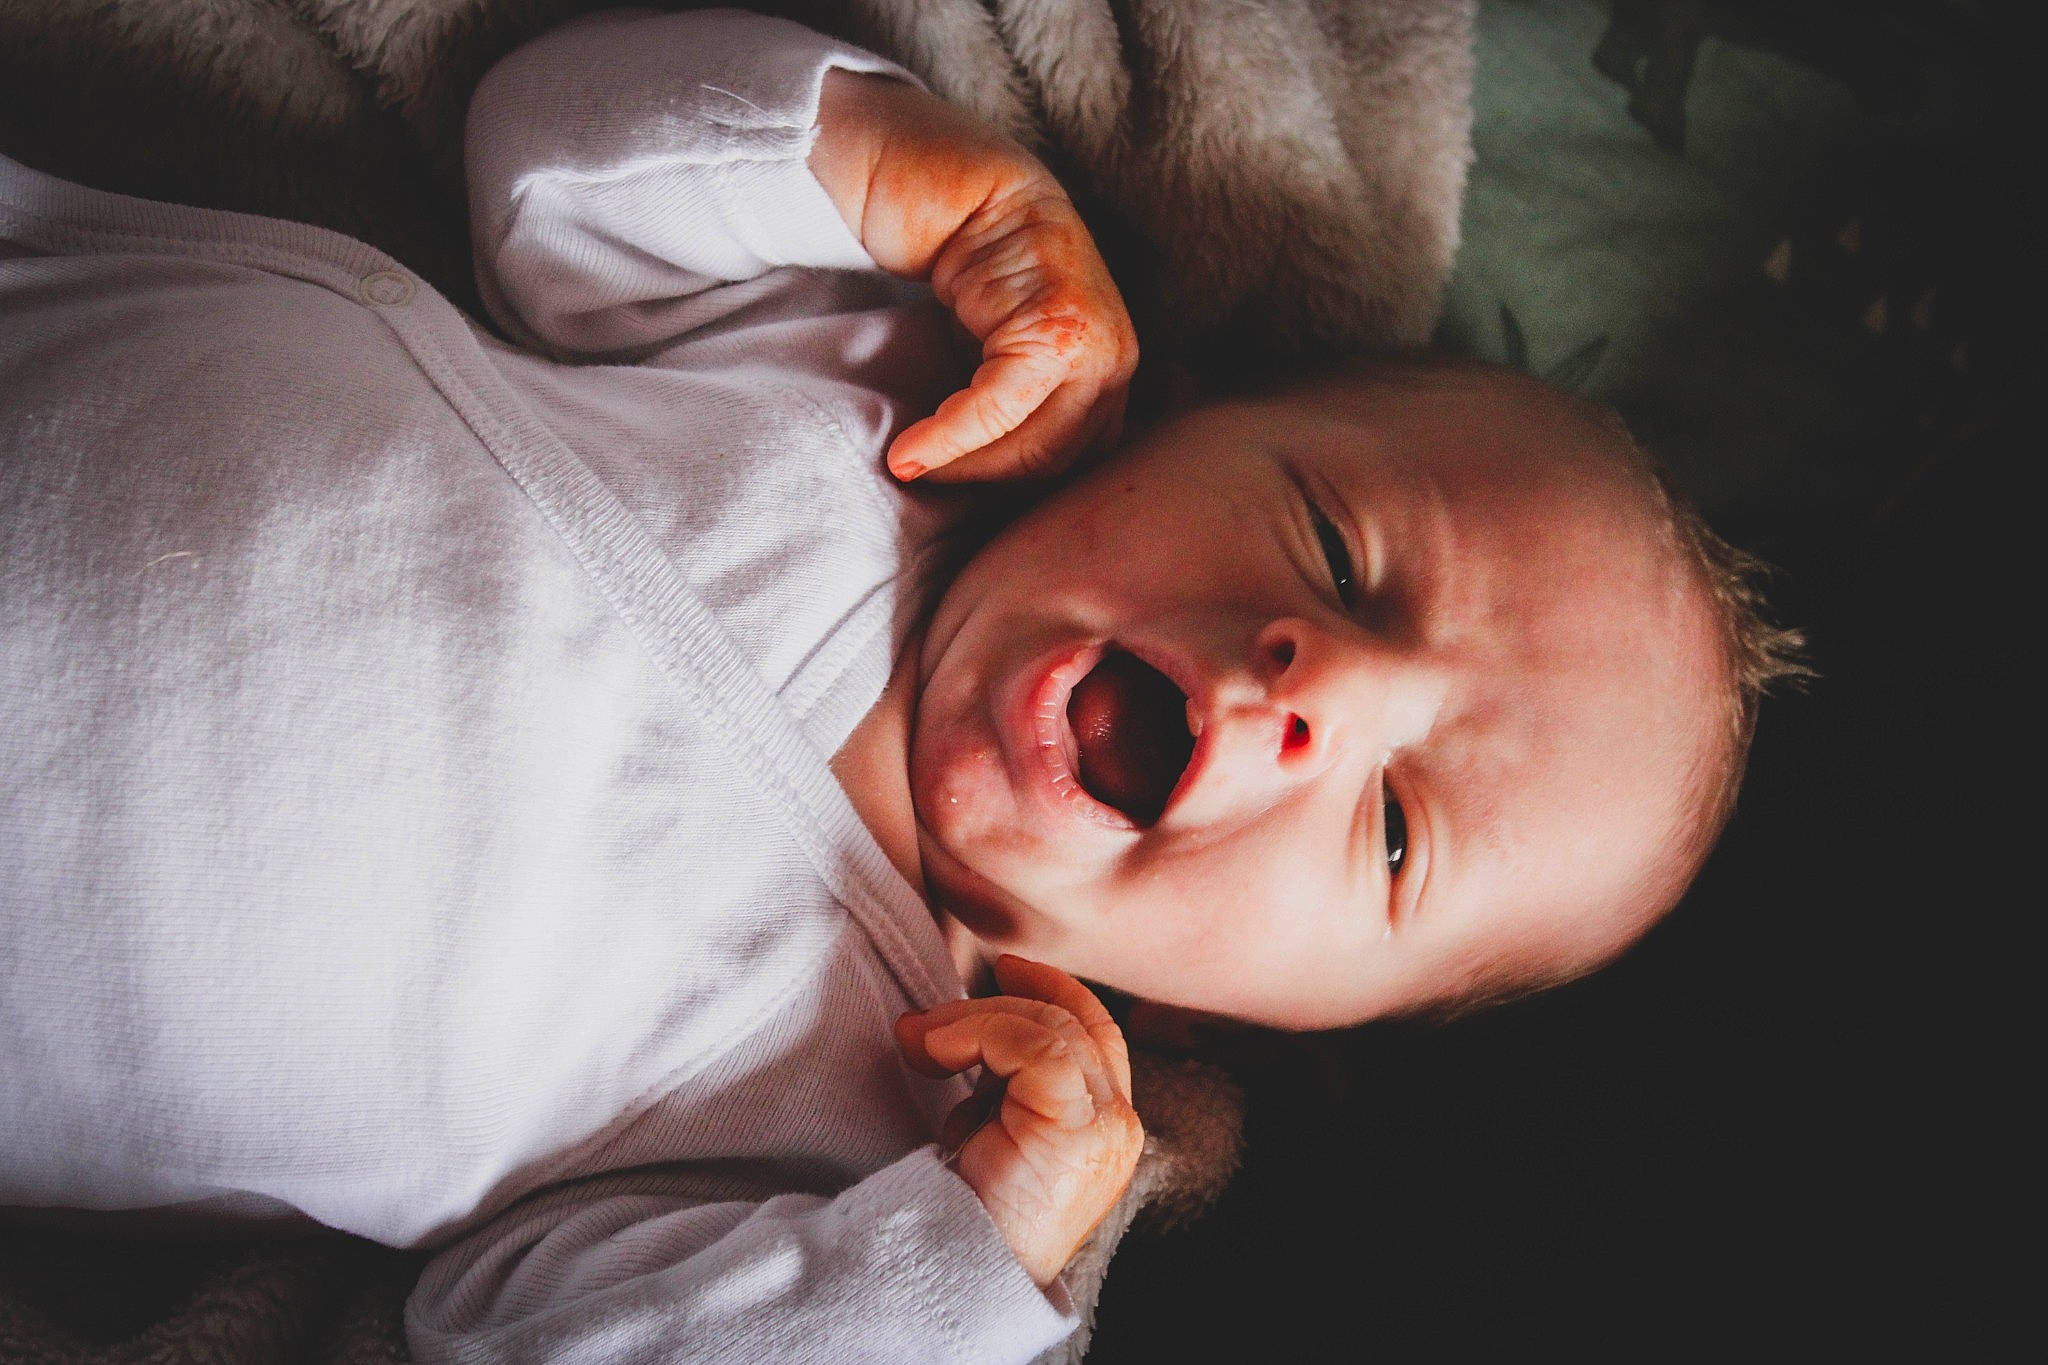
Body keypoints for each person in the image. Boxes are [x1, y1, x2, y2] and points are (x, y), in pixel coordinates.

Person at [0, 7, 1800, 1363]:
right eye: (1334, 543)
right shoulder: (880, 383)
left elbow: (515, 1337)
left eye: (1398, 835)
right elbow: (539, 172)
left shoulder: (865, 1140)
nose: (1313, 682)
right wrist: (920, 179)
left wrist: (971, 1268)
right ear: (1176, 418)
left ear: (1232, 1033)